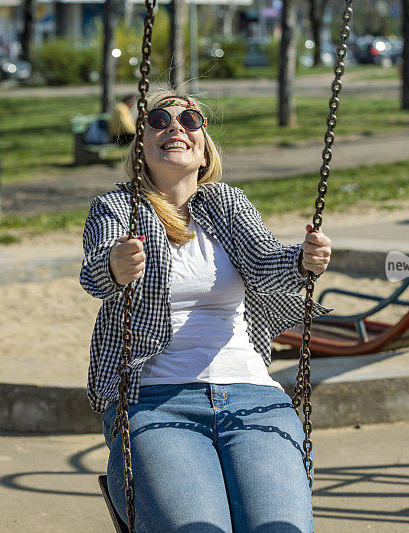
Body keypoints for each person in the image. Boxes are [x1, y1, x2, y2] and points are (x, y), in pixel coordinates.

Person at [80, 91, 332, 532]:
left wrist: (302, 260)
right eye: (158, 119)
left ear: (204, 148)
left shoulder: (228, 205)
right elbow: (95, 273)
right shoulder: (119, 209)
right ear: (140, 144)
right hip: (155, 403)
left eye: (189, 120)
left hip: (254, 398)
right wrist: (116, 266)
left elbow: (267, 265)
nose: (174, 127)